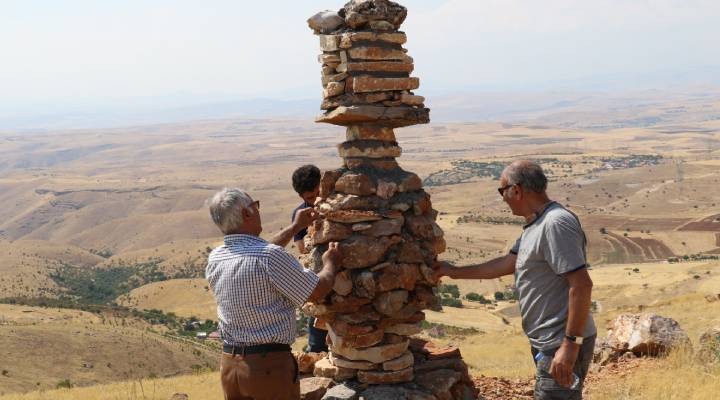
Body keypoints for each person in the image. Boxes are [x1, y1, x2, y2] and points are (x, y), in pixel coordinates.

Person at [434, 160, 596, 400]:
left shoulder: (555, 223)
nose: (502, 198)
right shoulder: (535, 224)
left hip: (559, 342)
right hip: (549, 342)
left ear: (516, 190)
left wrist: (570, 344)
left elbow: (581, 284)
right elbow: (506, 264)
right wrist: (452, 271)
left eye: (502, 191)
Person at [205, 187, 340, 400]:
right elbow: (316, 291)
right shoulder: (269, 257)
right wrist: (330, 263)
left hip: (230, 367)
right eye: (255, 205)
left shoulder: (216, 257)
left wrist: (296, 227)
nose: (258, 210)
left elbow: (256, 253)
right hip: (268, 367)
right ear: (247, 214)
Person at [290, 165, 329, 353]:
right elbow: (303, 249)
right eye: (310, 198)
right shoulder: (300, 214)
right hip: (318, 285)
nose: (315, 201)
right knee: (316, 345)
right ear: (301, 197)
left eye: (317, 194)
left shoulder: (336, 204)